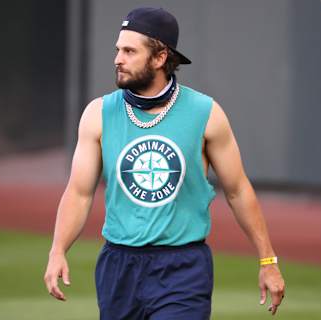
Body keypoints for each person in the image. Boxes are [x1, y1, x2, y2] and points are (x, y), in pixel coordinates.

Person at [44, 7, 285, 319]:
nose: (118, 58)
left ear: (159, 58)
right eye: (118, 49)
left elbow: (238, 190)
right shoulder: (97, 114)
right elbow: (79, 192)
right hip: (119, 267)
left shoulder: (206, 113)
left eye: (130, 51)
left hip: (182, 268)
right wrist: (57, 250)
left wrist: (268, 261)